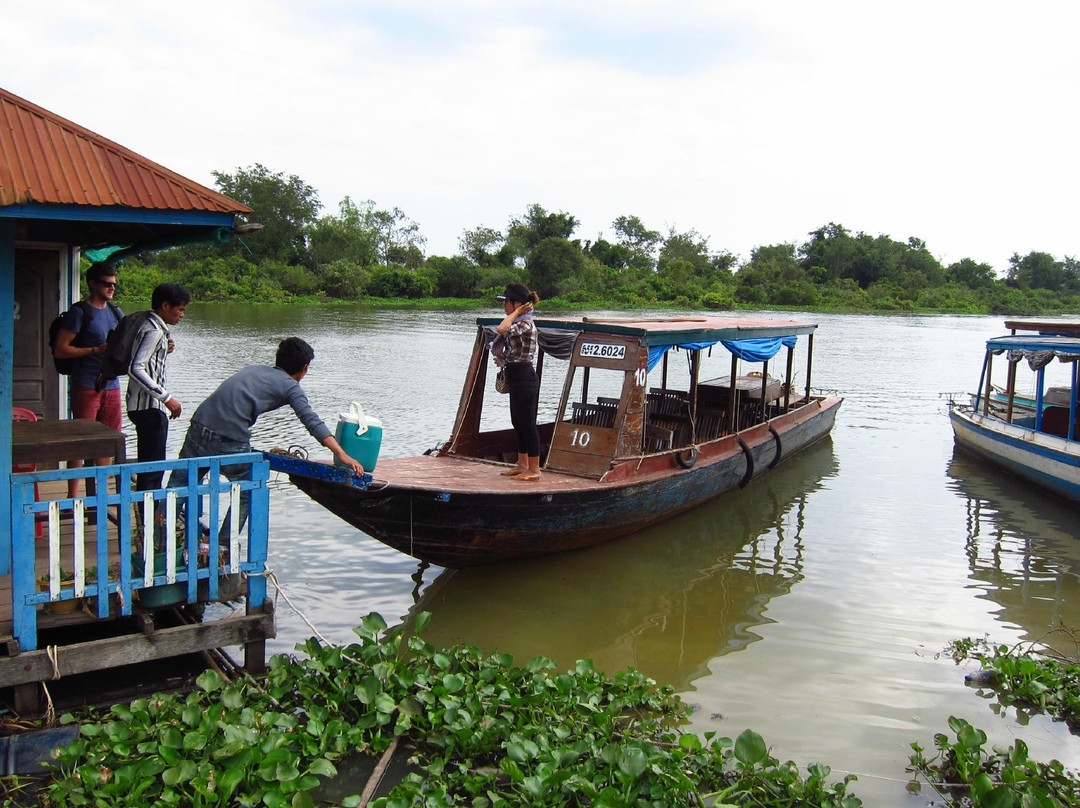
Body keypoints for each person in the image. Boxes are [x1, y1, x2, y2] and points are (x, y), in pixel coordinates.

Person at [165, 337, 364, 538]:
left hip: (199, 425)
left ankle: (157, 538)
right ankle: (223, 545)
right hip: (228, 438)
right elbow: (311, 421)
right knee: (248, 488)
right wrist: (341, 453)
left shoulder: (254, 369)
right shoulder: (291, 387)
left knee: (179, 485)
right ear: (304, 368)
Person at [52, 263, 124, 496]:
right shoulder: (79, 312)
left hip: (111, 385)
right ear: (93, 284)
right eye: (107, 284)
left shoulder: (116, 313)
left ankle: (99, 494)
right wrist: (94, 350)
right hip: (85, 384)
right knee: (81, 441)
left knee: (106, 441)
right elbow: (61, 350)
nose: (111, 288)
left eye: (114, 284)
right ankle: (73, 495)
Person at [127, 283, 190, 492]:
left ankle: (148, 516)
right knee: (153, 470)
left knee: (149, 466)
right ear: (165, 305)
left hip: (143, 407)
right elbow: (135, 368)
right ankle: (150, 518)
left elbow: (146, 362)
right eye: (179, 309)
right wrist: (166, 398)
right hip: (149, 408)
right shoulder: (153, 331)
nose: (181, 314)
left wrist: (165, 351)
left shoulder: (150, 326)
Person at [492, 283, 542, 482]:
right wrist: (503, 359)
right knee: (517, 422)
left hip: (525, 378)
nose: (504, 306)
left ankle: (535, 469)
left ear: (517, 304)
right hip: (516, 376)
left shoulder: (525, 324)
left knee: (528, 424)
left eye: (507, 302)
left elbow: (502, 328)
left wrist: (518, 312)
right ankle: (522, 465)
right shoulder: (520, 322)